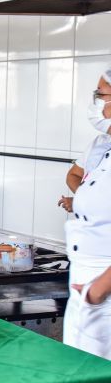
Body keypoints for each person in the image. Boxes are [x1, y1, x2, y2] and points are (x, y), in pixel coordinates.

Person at [62, 70, 111, 359]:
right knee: (79, 372)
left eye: (101, 96)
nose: (96, 105)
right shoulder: (103, 148)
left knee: (98, 380)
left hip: (102, 283)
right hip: (87, 281)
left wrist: (97, 292)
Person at [58, 68, 111, 214]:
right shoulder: (101, 142)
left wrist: (83, 203)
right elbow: (73, 175)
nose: (96, 101)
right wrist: (84, 199)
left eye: (100, 94)